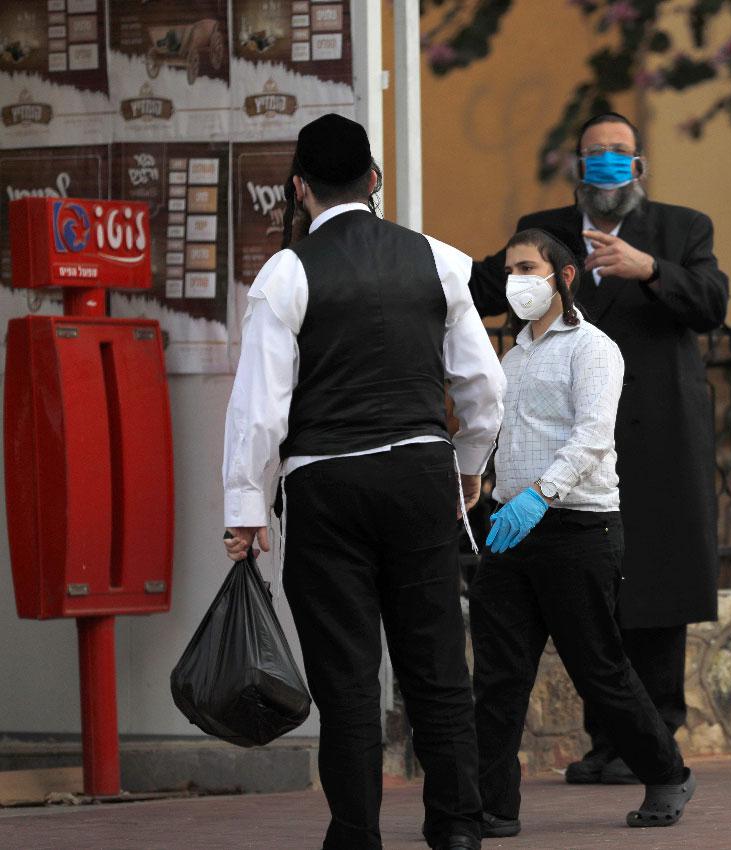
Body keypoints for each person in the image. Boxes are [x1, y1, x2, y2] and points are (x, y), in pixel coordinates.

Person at [222, 113, 505, 850]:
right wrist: (467, 468)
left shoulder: (286, 273)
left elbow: (259, 409)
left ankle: (356, 834)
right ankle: (458, 830)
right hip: (419, 474)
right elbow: (484, 386)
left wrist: (246, 506)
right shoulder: (439, 260)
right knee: (437, 668)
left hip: (325, 486)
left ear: (298, 187)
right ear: (374, 180)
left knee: (347, 679)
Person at [469, 112, 729, 784]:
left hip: (657, 436)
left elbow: (711, 302)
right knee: (591, 598)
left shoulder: (680, 228)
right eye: (595, 153)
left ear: (638, 164)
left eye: (620, 152)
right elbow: (490, 291)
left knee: (658, 586)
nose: (608, 163)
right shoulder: (546, 231)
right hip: (567, 443)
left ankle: (655, 736)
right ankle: (605, 742)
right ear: (576, 165)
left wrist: (650, 270)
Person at [469, 228, 696, 836]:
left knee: (598, 668)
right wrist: (485, 488)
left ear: (563, 277)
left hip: (576, 526)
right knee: (497, 674)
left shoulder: (593, 349)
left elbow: (592, 435)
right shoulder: (512, 356)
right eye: (509, 269)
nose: (516, 280)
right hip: (511, 529)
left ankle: (667, 773)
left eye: (527, 268)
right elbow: (500, 434)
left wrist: (540, 496)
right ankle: (493, 804)